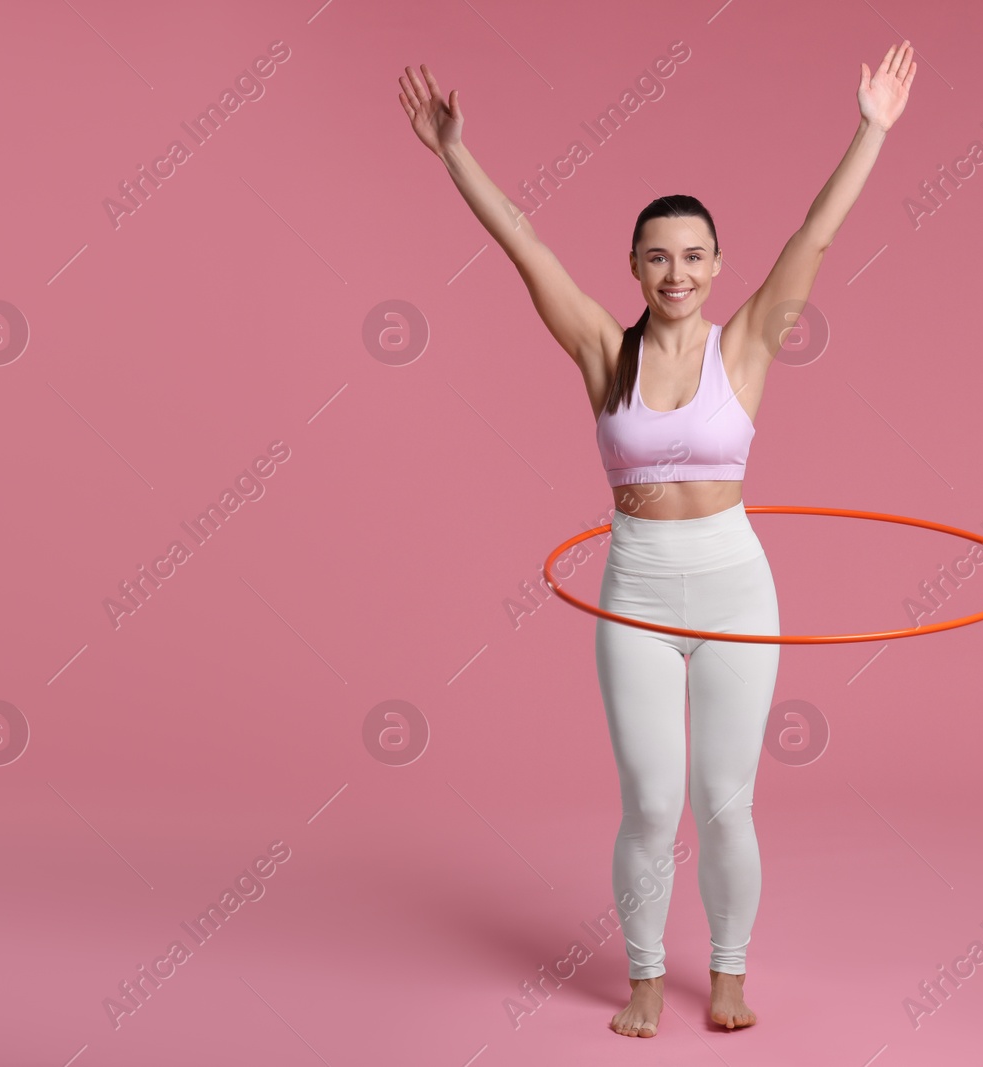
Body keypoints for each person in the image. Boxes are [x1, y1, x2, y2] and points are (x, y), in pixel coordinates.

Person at [399, 42, 914, 1037]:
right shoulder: (605, 349)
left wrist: (872, 128)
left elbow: (816, 232)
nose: (675, 272)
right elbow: (524, 247)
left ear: (716, 266)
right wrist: (454, 154)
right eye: (656, 256)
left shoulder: (750, 340)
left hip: (733, 588)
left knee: (725, 799)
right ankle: (642, 975)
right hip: (634, 588)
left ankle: (725, 971)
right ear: (633, 267)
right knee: (648, 801)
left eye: (692, 255)